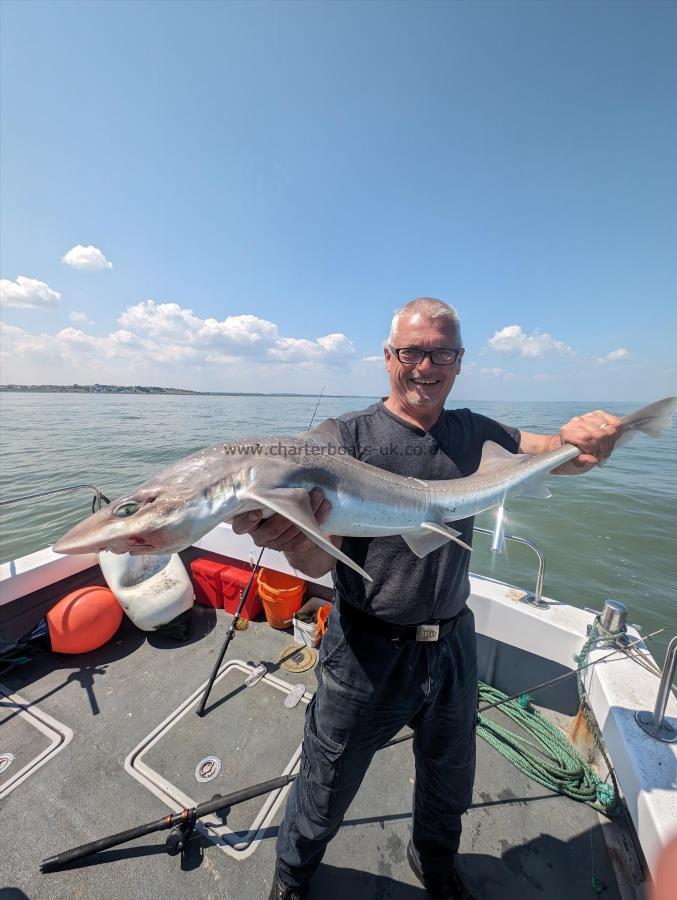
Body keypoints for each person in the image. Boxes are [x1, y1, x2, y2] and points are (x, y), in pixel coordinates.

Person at [232, 298, 622, 900]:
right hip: (366, 648)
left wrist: (585, 442)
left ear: (459, 362)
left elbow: (550, 456)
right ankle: (294, 873)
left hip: (452, 643)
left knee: (449, 778)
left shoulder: (474, 432)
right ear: (388, 357)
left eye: (441, 352)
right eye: (411, 351)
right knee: (327, 778)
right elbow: (315, 559)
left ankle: (436, 862)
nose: (425, 365)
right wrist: (289, 535)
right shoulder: (343, 439)